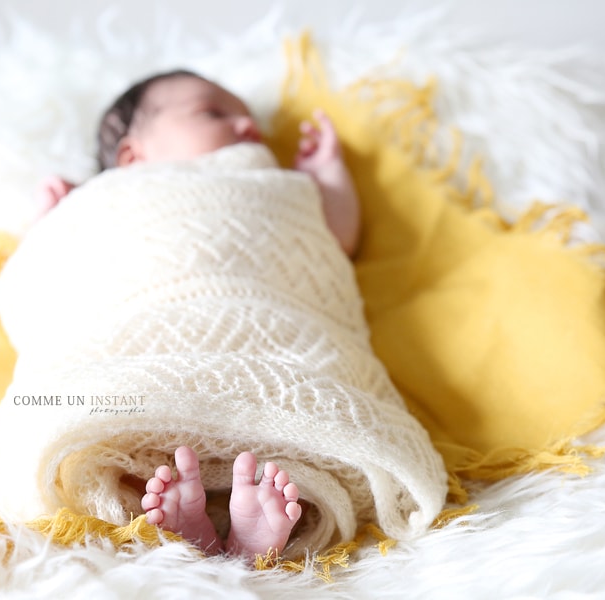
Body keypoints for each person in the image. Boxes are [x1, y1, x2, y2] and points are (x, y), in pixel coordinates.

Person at [35, 69, 362, 560]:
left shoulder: (276, 188)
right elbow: (51, 286)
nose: (248, 128)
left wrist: (327, 175)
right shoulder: (105, 205)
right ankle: (198, 522)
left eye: (250, 120)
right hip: (138, 380)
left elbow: (332, 242)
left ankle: (238, 524)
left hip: (271, 362)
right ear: (132, 156)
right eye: (214, 113)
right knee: (94, 422)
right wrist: (54, 226)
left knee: (291, 452)